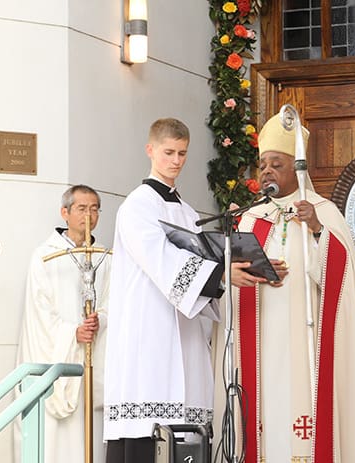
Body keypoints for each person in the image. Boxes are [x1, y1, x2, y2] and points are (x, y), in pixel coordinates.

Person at [228, 112, 355, 463]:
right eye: (263, 165)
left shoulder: (323, 213)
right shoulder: (251, 217)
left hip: (305, 339)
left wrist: (315, 231)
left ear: (296, 170)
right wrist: (246, 272)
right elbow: (232, 276)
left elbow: (341, 274)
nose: (266, 171)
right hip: (262, 337)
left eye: (276, 164)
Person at [103, 118, 224, 463]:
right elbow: (161, 260)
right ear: (150, 150)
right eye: (168, 152)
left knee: (187, 439)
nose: (176, 160)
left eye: (182, 153)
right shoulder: (137, 205)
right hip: (149, 337)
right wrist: (220, 278)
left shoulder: (187, 211)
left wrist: (225, 269)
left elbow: (199, 259)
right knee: (147, 436)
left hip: (184, 336)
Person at [16, 184, 110, 463]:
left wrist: (100, 320)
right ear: (64, 212)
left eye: (94, 208)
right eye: (81, 208)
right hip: (61, 352)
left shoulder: (105, 257)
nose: (89, 215)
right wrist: (72, 334)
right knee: (57, 445)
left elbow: (112, 302)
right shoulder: (45, 256)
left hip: (93, 360)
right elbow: (39, 313)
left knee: (90, 440)